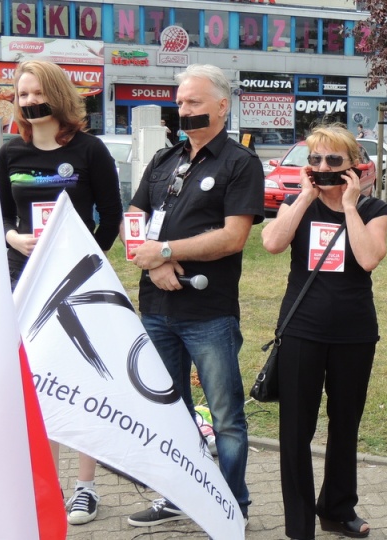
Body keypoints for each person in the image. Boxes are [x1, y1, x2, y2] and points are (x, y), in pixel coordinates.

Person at [124, 64, 264, 527]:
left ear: (222, 106)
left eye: (194, 103)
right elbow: (134, 218)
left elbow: (232, 237)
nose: (184, 110)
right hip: (156, 309)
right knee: (169, 412)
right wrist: (157, 261)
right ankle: (178, 496)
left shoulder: (240, 163)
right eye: (181, 102)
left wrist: (165, 249)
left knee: (225, 418)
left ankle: (230, 506)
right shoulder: (165, 159)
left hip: (208, 313)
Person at [0, 59, 122, 526]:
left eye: (35, 93)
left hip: (76, 285)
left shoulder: (90, 150)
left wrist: (83, 262)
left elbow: (110, 216)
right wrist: (13, 239)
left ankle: (85, 487)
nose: (28, 102)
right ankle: (41, 484)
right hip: (21, 283)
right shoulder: (10, 154)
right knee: (35, 385)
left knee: (81, 381)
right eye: (21, 95)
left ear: (58, 95)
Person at [262, 124, 387, 540]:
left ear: (354, 166)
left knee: (345, 423)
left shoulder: (373, 210)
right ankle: (299, 524)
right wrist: (305, 197)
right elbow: (272, 243)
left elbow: (369, 258)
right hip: (302, 330)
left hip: (353, 333)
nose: (322, 167)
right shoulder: (298, 204)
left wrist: (349, 206)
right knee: (296, 428)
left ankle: (337, 508)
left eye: (333, 160)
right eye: (314, 159)